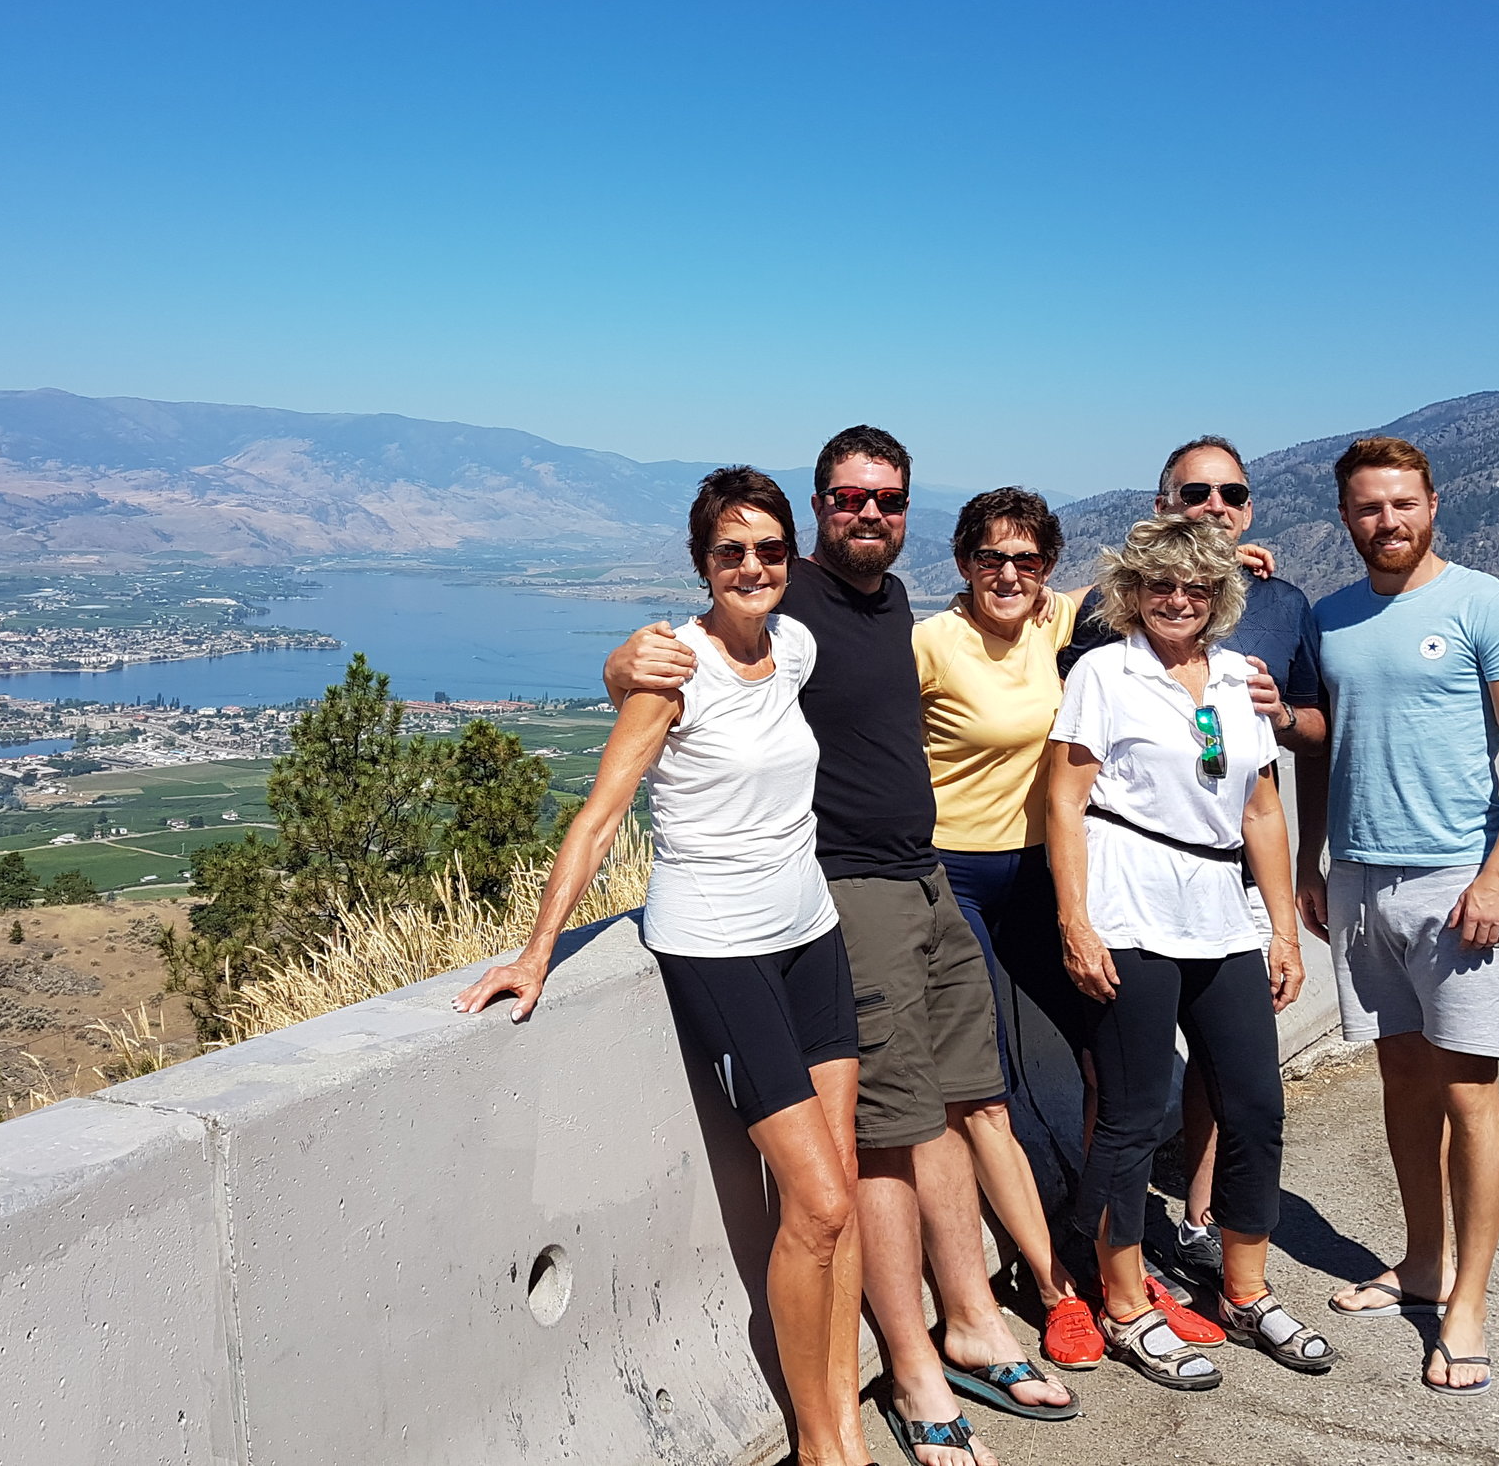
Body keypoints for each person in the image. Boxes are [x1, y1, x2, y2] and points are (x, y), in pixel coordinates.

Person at [607, 428, 1074, 1466]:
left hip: (925, 874)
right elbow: (672, 659)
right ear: (819, 507)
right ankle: (911, 1372)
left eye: (888, 500)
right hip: (841, 892)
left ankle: (970, 1320)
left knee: (955, 1107)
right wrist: (618, 660)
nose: (869, 515)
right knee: (882, 1133)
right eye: (848, 499)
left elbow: (1045, 605)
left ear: (908, 511)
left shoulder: (895, 602)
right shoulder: (791, 590)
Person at [456, 467, 870, 1466]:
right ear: (702, 565)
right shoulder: (671, 671)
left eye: (769, 549)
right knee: (814, 1204)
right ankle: (819, 1445)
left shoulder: (798, 646)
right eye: (730, 552)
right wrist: (535, 953)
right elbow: (599, 818)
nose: (753, 567)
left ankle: (849, 1423)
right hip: (718, 946)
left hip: (810, 932)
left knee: (841, 1191)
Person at [1297, 437, 1499, 1397]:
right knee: (1403, 1079)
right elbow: (1322, 751)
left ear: (1434, 504)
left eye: (1403, 504)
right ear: (1346, 517)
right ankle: (1418, 1263)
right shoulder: (1328, 620)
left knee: (1469, 1092)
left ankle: (1469, 1300)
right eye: (1369, 508)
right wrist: (1308, 862)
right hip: (1361, 881)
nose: (1388, 522)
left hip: (1459, 883)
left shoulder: (1491, 605)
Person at [1047, 516, 1333, 1389]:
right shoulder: (1105, 672)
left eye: (1197, 588)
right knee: (1132, 1115)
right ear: (1134, 591)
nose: (1178, 601)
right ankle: (1126, 1302)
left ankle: (1243, 1290)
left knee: (1254, 1103)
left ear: (1220, 599)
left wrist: (1282, 927)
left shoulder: (1240, 680)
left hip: (1221, 914)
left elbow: (1259, 810)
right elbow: (1064, 800)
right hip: (1129, 908)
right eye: (1161, 585)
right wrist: (1074, 920)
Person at [911, 488, 1103, 1372]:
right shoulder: (929, 640)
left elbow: (1158, 590)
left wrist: (1231, 557)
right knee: (982, 1089)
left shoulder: (1058, 617)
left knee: (1105, 1058)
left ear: (1047, 568)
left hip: (1044, 873)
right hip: (956, 878)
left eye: (1028, 560)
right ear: (963, 562)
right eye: (992, 557)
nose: (1010, 574)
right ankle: (1057, 1284)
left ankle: (1113, 1252)